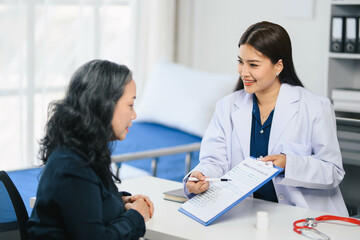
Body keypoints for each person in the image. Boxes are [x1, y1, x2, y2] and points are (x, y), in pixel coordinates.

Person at [184, 21, 348, 216]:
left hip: (305, 217)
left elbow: (333, 171)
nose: (244, 72)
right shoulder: (227, 107)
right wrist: (200, 175)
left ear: (278, 66)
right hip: (248, 215)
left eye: (253, 64)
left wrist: (289, 163)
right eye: (240, 62)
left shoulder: (315, 107)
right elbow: (214, 160)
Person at [27, 60, 154, 239]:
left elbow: (87, 202)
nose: (134, 115)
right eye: (130, 105)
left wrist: (123, 201)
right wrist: (136, 216)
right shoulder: (72, 165)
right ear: (104, 105)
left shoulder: (85, 150)